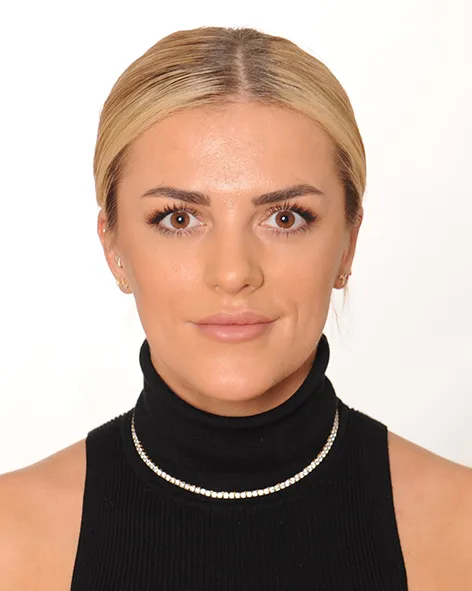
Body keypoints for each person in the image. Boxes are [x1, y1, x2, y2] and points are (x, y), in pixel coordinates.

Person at [0, 25, 471, 591]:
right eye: (179, 218)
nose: (232, 273)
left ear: (348, 243)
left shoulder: (462, 529)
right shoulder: (10, 539)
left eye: (285, 218)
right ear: (113, 248)